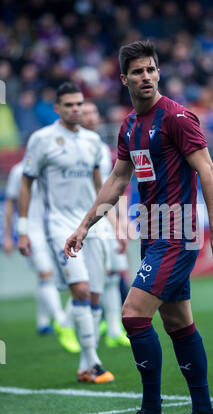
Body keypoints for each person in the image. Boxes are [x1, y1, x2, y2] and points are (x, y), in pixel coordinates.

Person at [64, 40, 213, 414]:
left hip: (177, 233)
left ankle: (151, 411)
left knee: (133, 314)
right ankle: (203, 413)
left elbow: (206, 169)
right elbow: (118, 179)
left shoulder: (177, 117)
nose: (146, 77)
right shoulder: (129, 126)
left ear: (159, 72)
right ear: (123, 79)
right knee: (178, 323)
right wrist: (85, 224)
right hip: (151, 232)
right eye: (137, 71)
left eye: (151, 69)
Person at [18, 82, 114, 384]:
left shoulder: (93, 142)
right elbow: (26, 182)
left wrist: (111, 222)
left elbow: (103, 187)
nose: (76, 109)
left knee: (96, 295)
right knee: (82, 290)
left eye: (79, 104)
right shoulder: (42, 139)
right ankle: (95, 362)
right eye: (69, 104)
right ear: (57, 108)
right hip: (59, 225)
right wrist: (22, 228)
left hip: (92, 224)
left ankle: (86, 364)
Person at [3, 159, 80, 354]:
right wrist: (9, 235)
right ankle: (61, 319)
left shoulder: (52, 168)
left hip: (55, 229)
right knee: (46, 274)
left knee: (47, 276)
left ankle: (43, 321)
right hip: (32, 231)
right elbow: (10, 203)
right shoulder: (18, 171)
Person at [80, 100, 130, 348]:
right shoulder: (74, 148)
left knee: (111, 274)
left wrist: (120, 221)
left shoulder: (105, 150)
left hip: (105, 216)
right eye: (84, 113)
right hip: (82, 218)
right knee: (87, 279)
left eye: (93, 112)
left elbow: (117, 189)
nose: (90, 118)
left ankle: (112, 329)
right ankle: (68, 323)